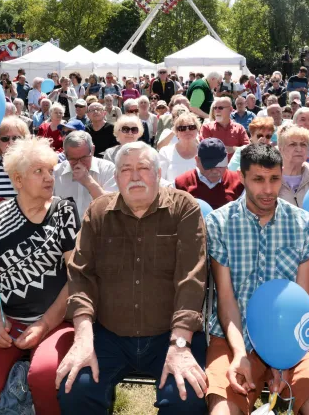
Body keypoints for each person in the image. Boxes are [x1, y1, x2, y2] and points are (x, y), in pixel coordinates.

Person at [56, 141, 208, 414]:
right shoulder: (99, 212)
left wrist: (180, 343)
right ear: (116, 178)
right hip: (108, 335)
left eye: (143, 168)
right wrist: (82, 336)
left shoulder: (184, 208)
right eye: (126, 170)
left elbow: (191, 277)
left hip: (169, 335)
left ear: (159, 174)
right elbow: (81, 275)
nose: (135, 176)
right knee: (75, 390)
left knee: (186, 399)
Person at [204, 144, 309, 415]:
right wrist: (238, 354)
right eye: (258, 180)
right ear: (242, 178)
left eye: (274, 179)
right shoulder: (219, 223)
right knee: (223, 411)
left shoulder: (303, 223)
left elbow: (303, 298)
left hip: (291, 340)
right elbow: (225, 298)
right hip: (232, 338)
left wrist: (284, 356)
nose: (268, 190)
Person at [0, 137, 80, 415]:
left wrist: (45, 325)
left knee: (47, 377)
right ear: (18, 180)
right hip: (7, 323)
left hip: (57, 322)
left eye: (50, 170)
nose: (49, 178)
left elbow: (77, 277)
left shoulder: (64, 212)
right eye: (39, 172)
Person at [54, 131, 117, 220]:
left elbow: (112, 206)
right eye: (73, 159)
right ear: (65, 155)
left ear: (93, 150)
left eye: (84, 158)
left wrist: (88, 182)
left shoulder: (108, 169)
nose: (79, 163)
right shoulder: (56, 172)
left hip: (99, 230)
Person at [174, 138, 244, 210]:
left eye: (220, 165)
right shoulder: (180, 184)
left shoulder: (240, 183)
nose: (215, 171)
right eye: (209, 165)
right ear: (197, 161)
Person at [277, 124, 309, 206]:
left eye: (303, 145)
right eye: (292, 144)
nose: (299, 149)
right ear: (281, 149)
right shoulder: (270, 179)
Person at [159, 112, 201, 182]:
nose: (187, 130)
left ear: (197, 130)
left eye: (192, 127)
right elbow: (160, 179)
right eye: (182, 128)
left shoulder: (204, 152)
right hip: (173, 192)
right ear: (176, 133)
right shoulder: (165, 152)